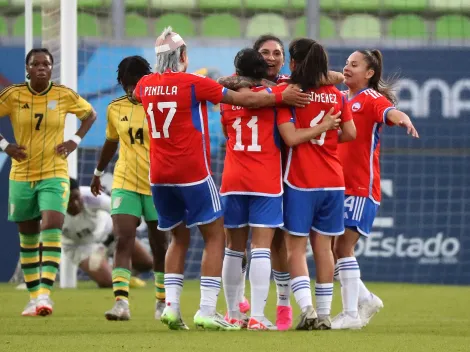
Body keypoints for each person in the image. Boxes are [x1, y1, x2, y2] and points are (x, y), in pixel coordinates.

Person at [133, 26, 310, 331]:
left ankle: (181, 308)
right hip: (220, 176)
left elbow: (229, 116)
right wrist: (280, 94)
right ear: (184, 56)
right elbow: (251, 101)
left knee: (189, 240)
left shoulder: (144, 85)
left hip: (171, 176)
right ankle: (230, 312)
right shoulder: (196, 84)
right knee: (231, 242)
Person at [217, 34, 345, 330]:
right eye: (265, 53)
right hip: (273, 175)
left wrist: (316, 78)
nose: (271, 57)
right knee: (266, 245)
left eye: (276, 52)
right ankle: (260, 313)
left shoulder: (237, 95)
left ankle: (258, 309)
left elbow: (228, 117)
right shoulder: (280, 93)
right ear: (258, 58)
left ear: (286, 59)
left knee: (258, 246)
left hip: (250, 176)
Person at [0, 48, 96, 316]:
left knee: (52, 225)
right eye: (36, 64)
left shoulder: (63, 94)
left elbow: (90, 114)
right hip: (21, 175)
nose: (42, 68)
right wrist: (5, 145)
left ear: (52, 68)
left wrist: (74, 140)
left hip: (54, 172)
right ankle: (34, 297)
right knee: (28, 237)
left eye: (47, 64)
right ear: (27, 69)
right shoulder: (13, 95)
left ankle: (45, 295)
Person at [332, 50, 419, 330]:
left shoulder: (370, 99)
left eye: (354, 65)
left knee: (342, 247)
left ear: (369, 73)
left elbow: (389, 111)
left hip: (360, 186)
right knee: (332, 249)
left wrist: (402, 118)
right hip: (336, 185)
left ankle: (351, 314)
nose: (347, 68)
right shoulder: (343, 98)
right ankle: (365, 299)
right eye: (346, 63)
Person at [277, 38, 356, 330]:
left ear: (294, 63)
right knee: (324, 248)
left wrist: (316, 130)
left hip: (301, 180)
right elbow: (350, 132)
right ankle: (324, 315)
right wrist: (327, 137)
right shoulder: (337, 95)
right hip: (333, 181)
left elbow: (291, 138)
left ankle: (308, 309)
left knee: (294, 248)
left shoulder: (292, 94)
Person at [90, 56, 168, 321]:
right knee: (123, 239)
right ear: (121, 83)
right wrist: (98, 172)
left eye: (137, 84)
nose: (132, 90)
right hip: (125, 182)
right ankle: (121, 303)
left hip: (157, 184)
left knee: (160, 246)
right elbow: (112, 141)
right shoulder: (115, 108)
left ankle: (161, 302)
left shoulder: (160, 105)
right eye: (127, 85)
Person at [63, 178, 153, 290]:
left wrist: (108, 242)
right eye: (69, 201)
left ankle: (121, 274)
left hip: (108, 232)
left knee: (147, 263)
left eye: (76, 197)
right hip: (79, 246)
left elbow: (120, 212)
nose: (75, 203)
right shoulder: (52, 211)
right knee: (109, 282)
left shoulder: (91, 196)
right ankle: (111, 274)